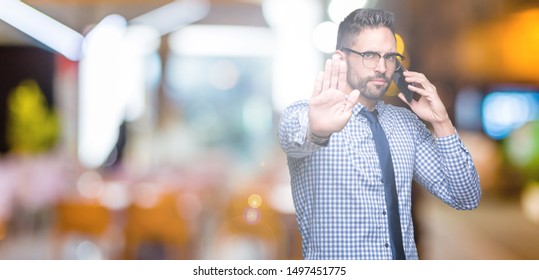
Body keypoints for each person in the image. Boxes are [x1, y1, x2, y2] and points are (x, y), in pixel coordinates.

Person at [278, 8, 481, 260]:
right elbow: (293, 136)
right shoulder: (306, 115)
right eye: (370, 55)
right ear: (341, 58)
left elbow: (466, 197)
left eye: (389, 56)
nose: (382, 67)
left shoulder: (405, 123)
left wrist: (441, 122)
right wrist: (316, 130)